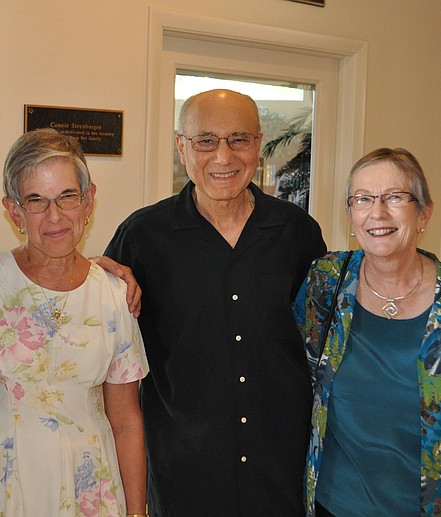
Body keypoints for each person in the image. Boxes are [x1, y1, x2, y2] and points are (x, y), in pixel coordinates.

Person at [105, 89, 327, 515]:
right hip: (184, 475)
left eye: (238, 139)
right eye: (206, 140)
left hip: (281, 473)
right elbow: (106, 344)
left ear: (258, 144)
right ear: (181, 146)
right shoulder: (142, 237)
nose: (223, 157)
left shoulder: (298, 233)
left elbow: (326, 344)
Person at [293, 148, 441, 516]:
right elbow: (288, 374)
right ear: (351, 215)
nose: (377, 213)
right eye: (363, 199)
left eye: (395, 197)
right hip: (334, 503)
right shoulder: (326, 282)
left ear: (424, 212)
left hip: (428, 506)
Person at [0, 128, 149, 516]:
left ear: (88, 202)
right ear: (14, 211)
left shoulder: (114, 293)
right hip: (9, 480)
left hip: (93, 484)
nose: (54, 216)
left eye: (67, 197)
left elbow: (125, 419)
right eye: (36, 201)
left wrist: (137, 512)